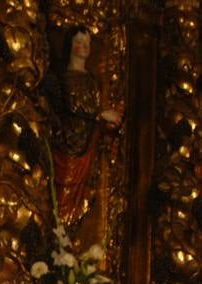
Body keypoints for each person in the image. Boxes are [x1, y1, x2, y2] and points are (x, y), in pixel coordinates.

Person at [47, 27, 122, 227]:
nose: (84, 47)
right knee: (62, 195)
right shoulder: (63, 78)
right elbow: (73, 108)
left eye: (87, 43)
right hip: (68, 142)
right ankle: (60, 228)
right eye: (79, 42)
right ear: (70, 45)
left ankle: (68, 231)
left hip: (88, 143)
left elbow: (92, 110)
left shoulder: (91, 80)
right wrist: (101, 114)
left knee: (83, 195)